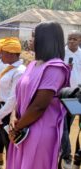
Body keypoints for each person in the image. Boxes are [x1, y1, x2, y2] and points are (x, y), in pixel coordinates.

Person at [7, 21, 71, 169]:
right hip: (21, 127)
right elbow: (20, 95)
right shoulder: (33, 64)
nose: (31, 40)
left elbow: (39, 106)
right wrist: (13, 117)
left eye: (34, 36)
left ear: (45, 40)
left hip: (37, 131)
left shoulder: (55, 68)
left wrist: (16, 128)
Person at [0, 38, 26, 165]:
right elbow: (0, 91)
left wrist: (0, 115)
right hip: (2, 107)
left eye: (4, 52)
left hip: (8, 113)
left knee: (10, 145)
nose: (1, 55)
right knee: (2, 138)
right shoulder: (9, 67)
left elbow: (13, 98)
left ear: (13, 54)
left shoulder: (19, 71)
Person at [61, 30, 81, 168]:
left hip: (76, 95)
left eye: (75, 39)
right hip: (62, 94)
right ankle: (65, 154)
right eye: (70, 38)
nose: (72, 41)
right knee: (62, 125)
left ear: (80, 40)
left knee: (68, 122)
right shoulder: (61, 53)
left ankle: (66, 153)